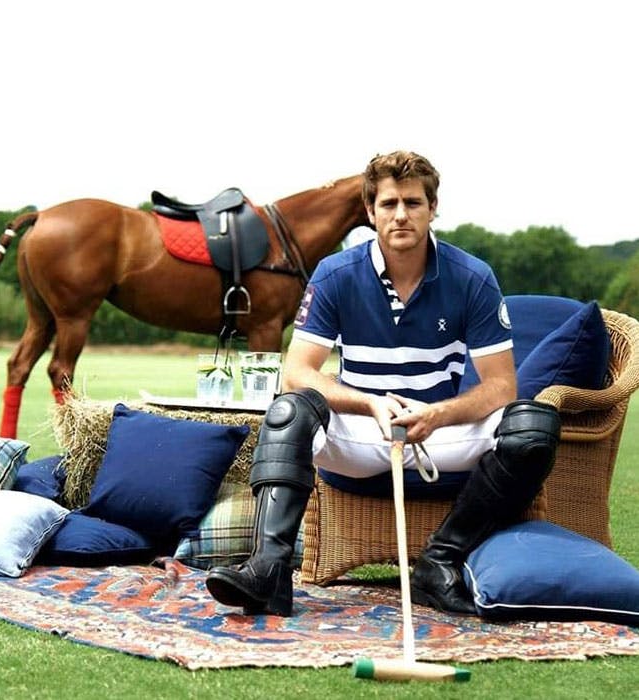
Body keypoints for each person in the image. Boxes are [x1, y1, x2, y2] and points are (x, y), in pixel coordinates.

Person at [206, 150, 561, 616]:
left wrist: (436, 414)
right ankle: (268, 571)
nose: (401, 215)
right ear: (370, 212)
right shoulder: (335, 273)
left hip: (438, 435)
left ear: (433, 209)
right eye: (389, 203)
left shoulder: (473, 277)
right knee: (289, 408)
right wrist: (369, 403)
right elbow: (297, 372)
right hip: (358, 437)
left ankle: (441, 561)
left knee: (531, 428)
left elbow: (500, 388)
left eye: (413, 203)